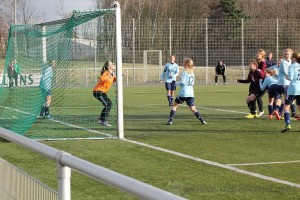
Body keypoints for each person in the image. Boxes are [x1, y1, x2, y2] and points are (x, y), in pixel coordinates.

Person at [166, 58, 206, 125]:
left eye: (184, 62)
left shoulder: (185, 72)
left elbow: (182, 82)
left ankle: (170, 120)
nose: (183, 63)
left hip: (183, 93)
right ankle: (202, 120)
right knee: (193, 109)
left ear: (187, 64)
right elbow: (192, 83)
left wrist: (175, 83)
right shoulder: (192, 73)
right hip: (191, 93)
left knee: (174, 106)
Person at [93, 61, 116, 127]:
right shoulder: (106, 73)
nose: (113, 64)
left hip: (102, 92)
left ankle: (101, 119)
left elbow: (114, 80)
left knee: (108, 104)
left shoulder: (112, 73)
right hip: (98, 91)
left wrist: (117, 76)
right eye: (112, 64)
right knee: (108, 104)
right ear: (108, 67)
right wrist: (109, 75)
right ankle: (104, 121)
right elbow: (101, 79)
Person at [281, 52, 300, 132]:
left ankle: (288, 124)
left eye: (291, 58)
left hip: (292, 89)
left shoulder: (292, 66)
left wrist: (287, 76)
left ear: (294, 58)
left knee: (286, 107)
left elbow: (291, 78)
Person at [277, 48, 296, 117]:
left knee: (287, 99)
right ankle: (281, 112)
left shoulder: (290, 61)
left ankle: (281, 112)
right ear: (283, 55)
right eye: (285, 54)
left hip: (287, 82)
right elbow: (286, 72)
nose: (286, 55)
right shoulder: (283, 62)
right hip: (283, 82)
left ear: (290, 55)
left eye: (288, 54)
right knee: (287, 99)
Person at [256, 49, 267, 117]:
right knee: (256, 96)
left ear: (262, 55)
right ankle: (255, 111)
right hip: (257, 82)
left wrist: (258, 70)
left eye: (258, 53)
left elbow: (263, 72)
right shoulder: (257, 62)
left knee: (259, 96)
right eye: (257, 53)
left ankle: (261, 110)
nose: (257, 54)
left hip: (263, 82)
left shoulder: (263, 63)